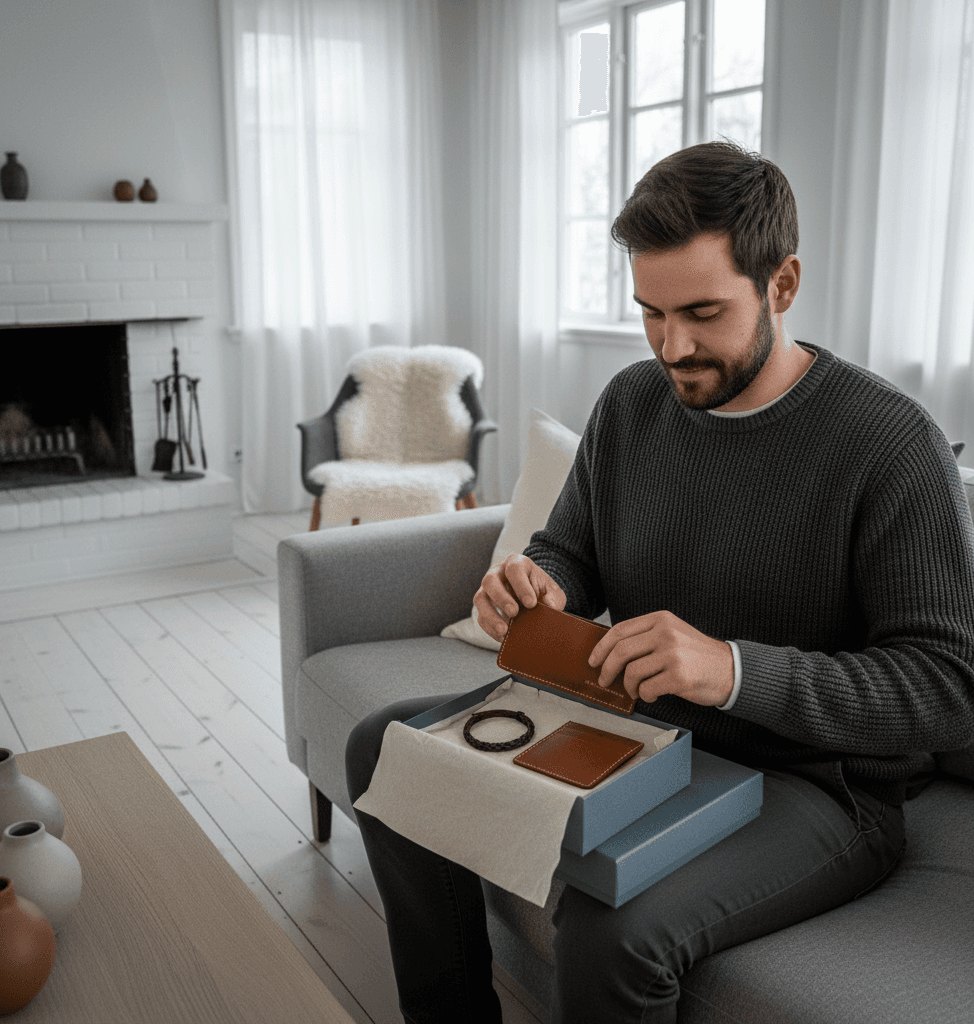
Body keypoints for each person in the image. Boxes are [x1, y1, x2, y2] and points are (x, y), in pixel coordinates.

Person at [345, 140, 974, 1024]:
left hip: (816, 786)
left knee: (612, 932)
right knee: (385, 746)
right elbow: (573, 551)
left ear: (782, 285)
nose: (673, 347)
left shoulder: (889, 444)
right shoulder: (632, 403)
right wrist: (541, 584)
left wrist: (735, 670)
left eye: (704, 313)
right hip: (634, 725)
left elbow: (949, 690)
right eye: (650, 312)